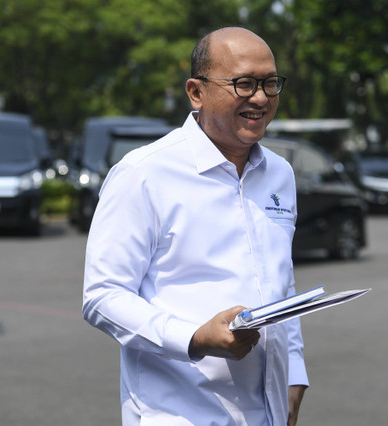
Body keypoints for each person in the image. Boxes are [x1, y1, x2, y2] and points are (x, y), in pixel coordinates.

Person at [83, 26, 308, 426]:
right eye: (243, 84)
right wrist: (193, 338)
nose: (260, 97)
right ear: (196, 92)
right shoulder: (144, 173)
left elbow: (280, 285)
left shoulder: (280, 174)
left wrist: (294, 375)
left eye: (270, 83)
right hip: (179, 413)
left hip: (268, 413)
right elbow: (103, 296)